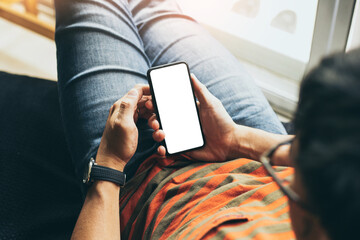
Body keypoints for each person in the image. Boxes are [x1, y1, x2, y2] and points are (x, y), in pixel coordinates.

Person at [55, 0, 360, 239]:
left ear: (309, 221)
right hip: (242, 142)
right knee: (157, 7)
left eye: (295, 177)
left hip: (139, 180)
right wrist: (235, 139)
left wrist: (109, 167)